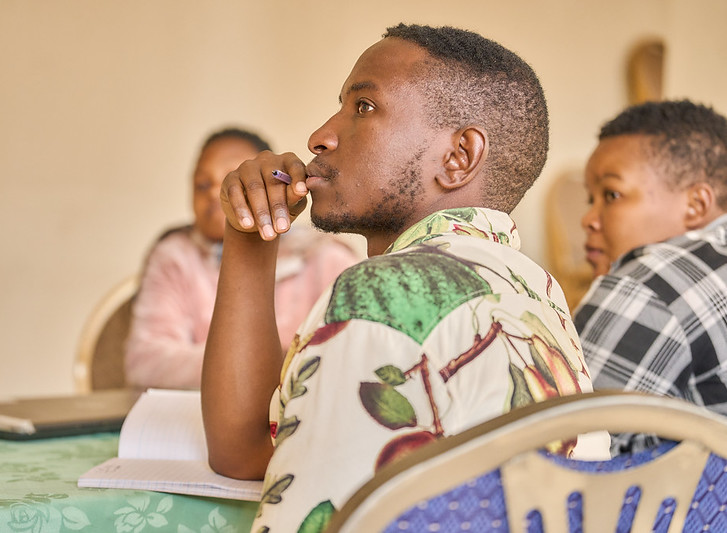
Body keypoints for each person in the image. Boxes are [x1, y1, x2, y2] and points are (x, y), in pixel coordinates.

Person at [201, 24, 609, 532]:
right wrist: (249, 235)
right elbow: (247, 454)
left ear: (458, 158)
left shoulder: (383, 295)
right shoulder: (537, 291)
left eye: (363, 108)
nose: (320, 136)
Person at [124, 127, 359, 389]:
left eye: (231, 183)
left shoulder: (324, 257)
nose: (214, 193)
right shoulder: (175, 256)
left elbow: (355, 354)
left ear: (274, 185)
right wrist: (266, 364)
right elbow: (145, 362)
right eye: (202, 184)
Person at [574, 100, 727, 454]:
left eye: (611, 195)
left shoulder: (647, 283)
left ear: (697, 205)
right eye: (589, 199)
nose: (588, 219)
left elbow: (568, 451)